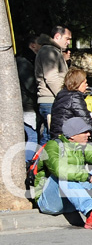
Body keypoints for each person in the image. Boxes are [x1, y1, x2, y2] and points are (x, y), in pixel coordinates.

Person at [33, 117, 92, 230]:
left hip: (72, 199)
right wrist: (88, 177)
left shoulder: (83, 147)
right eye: (84, 132)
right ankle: (91, 214)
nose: (89, 134)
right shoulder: (52, 146)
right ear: (72, 135)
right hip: (49, 202)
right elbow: (60, 170)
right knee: (65, 175)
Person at [34, 25, 72, 144]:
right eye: (67, 38)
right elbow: (51, 78)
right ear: (57, 36)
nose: (69, 42)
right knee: (54, 139)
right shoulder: (48, 51)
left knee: (49, 138)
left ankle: (40, 161)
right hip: (51, 101)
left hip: (53, 100)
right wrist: (65, 96)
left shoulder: (53, 51)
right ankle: (40, 161)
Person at [48, 68, 92, 142]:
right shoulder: (74, 96)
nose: (87, 85)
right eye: (85, 83)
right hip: (68, 138)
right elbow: (86, 120)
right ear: (78, 83)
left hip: (58, 135)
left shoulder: (62, 93)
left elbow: (77, 111)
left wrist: (91, 114)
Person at [16, 35, 40, 163]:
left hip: (25, 105)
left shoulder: (23, 61)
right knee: (32, 136)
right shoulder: (24, 63)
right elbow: (30, 86)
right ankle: (28, 164)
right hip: (27, 106)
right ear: (32, 45)